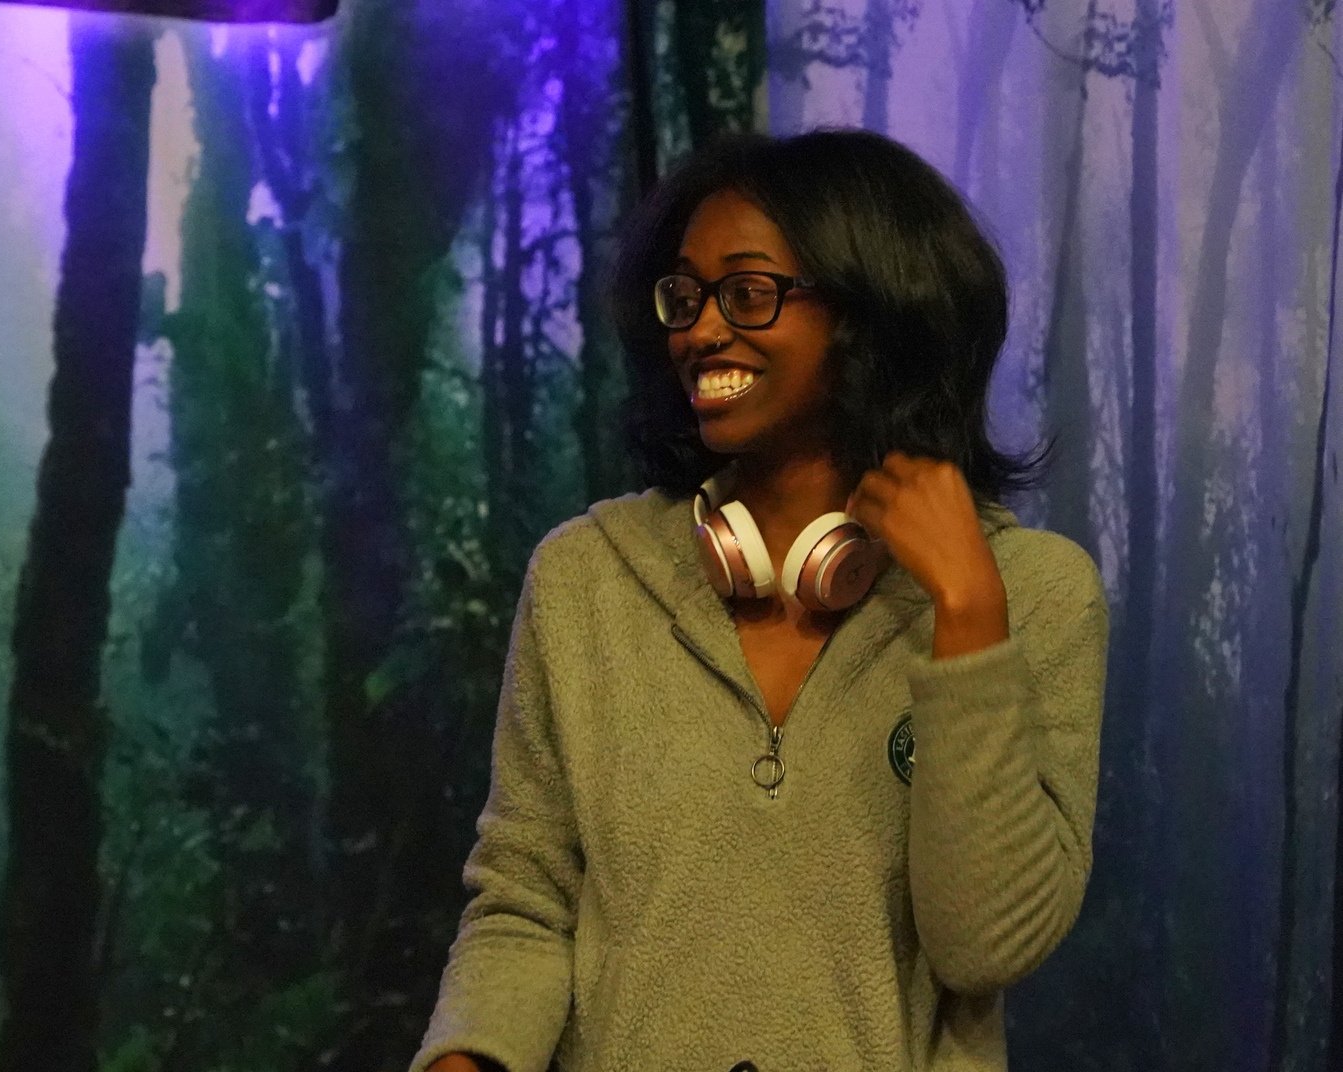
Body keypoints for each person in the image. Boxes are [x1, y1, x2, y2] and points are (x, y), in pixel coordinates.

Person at [409, 128, 1109, 1072]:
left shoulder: (1032, 593)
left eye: (747, 292)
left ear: (868, 315)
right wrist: (467, 1058)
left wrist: (968, 621)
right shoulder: (586, 578)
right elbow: (525, 902)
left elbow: (985, 945)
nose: (698, 330)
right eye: (685, 296)